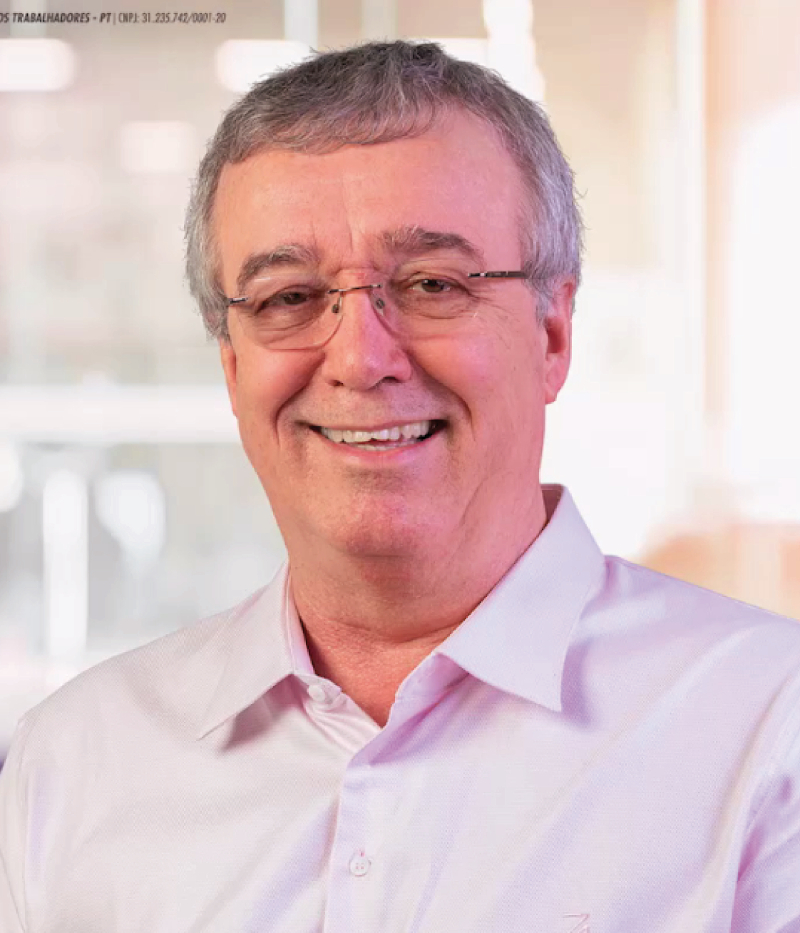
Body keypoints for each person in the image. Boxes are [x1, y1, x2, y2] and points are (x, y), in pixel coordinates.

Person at [1, 40, 799, 933]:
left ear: (553, 334)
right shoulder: (73, 764)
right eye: (289, 297)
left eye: (430, 284)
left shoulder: (770, 731)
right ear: (231, 366)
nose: (359, 357)